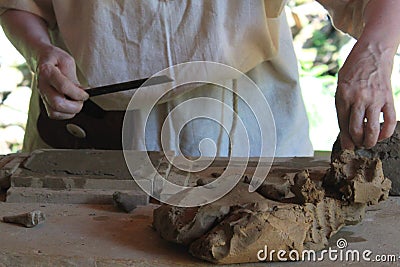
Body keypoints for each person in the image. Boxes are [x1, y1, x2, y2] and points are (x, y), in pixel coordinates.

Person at [0, 0, 398, 157]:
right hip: (89, 131)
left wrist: (375, 53)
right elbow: (21, 4)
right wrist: (41, 53)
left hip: (247, 132)